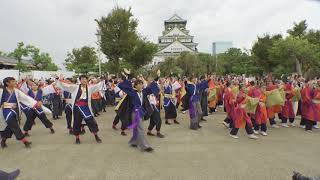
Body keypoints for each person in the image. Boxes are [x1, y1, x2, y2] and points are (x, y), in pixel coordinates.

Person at [0, 77, 48, 148]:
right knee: (15, 126)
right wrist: (9, 105)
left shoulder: (16, 91)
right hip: (6, 111)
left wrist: (35, 103)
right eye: (12, 81)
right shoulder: (1, 91)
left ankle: (3, 140)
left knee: (10, 127)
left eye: (14, 81)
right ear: (7, 83)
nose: (15, 82)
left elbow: (25, 98)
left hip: (15, 111)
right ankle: (24, 141)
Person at [117, 70, 159, 152]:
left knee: (137, 128)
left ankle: (134, 142)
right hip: (135, 113)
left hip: (141, 112)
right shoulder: (132, 92)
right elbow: (122, 86)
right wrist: (128, 76)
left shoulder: (144, 91)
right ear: (135, 86)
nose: (140, 86)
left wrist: (157, 77)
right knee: (141, 129)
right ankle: (145, 146)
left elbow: (151, 86)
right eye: (138, 84)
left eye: (141, 84)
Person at [57, 75, 104, 144]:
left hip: (86, 107)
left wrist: (102, 80)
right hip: (77, 107)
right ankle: (77, 138)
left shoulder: (90, 88)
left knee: (91, 121)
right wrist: (58, 80)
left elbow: (98, 86)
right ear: (80, 80)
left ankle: (96, 136)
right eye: (82, 79)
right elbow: (66, 86)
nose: (84, 80)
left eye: (85, 79)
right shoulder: (75, 87)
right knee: (77, 122)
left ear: (87, 80)